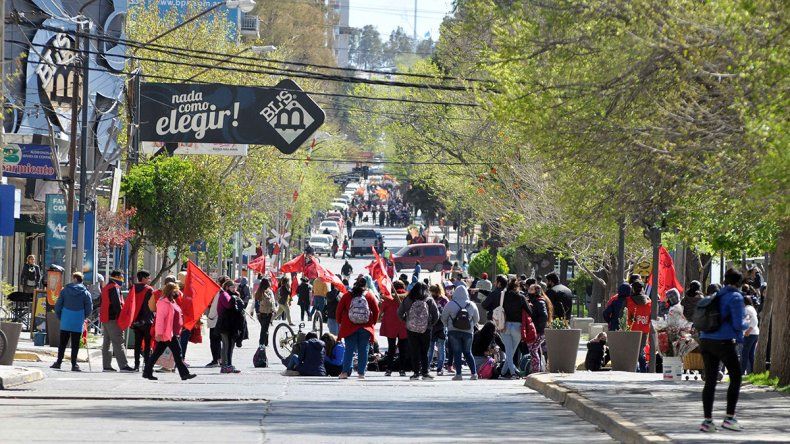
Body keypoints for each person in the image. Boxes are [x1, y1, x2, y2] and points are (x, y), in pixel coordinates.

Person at [699, 269, 748, 433]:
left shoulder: (715, 295)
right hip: (723, 342)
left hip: (706, 340)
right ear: (739, 283)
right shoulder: (735, 297)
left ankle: (707, 421)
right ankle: (729, 418)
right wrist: (747, 323)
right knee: (736, 377)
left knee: (710, 381)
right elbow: (738, 324)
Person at [142, 282, 196, 381]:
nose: (178, 292)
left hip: (172, 332)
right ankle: (184, 374)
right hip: (167, 333)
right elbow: (160, 319)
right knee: (177, 353)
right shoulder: (163, 302)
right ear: (171, 291)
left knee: (157, 353)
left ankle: (147, 372)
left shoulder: (172, 301)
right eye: (176, 290)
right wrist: (159, 333)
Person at [336, 277, 380, 379]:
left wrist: (340, 322)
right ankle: (361, 373)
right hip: (365, 327)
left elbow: (339, 310)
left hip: (349, 326)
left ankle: (345, 372)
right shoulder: (369, 295)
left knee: (349, 350)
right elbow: (376, 310)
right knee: (363, 350)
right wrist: (372, 323)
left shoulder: (347, 295)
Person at [398, 282, 439, 380]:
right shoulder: (429, 300)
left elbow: (399, 313)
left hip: (411, 329)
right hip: (426, 329)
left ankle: (416, 373)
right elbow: (436, 315)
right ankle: (425, 373)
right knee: (424, 352)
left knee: (414, 351)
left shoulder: (408, 299)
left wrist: (406, 321)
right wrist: (430, 324)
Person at [51, 272, 92, 371]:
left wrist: (60, 316)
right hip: (78, 319)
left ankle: (59, 362)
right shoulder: (86, 292)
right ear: (81, 280)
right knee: (75, 343)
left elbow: (58, 305)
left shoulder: (65, 290)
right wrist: (83, 316)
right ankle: (74, 364)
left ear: (74, 279)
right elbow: (89, 307)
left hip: (66, 318)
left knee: (63, 343)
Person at [442, 284, 480, 380]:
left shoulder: (450, 304)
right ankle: (474, 373)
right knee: (468, 352)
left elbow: (443, 317)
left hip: (453, 331)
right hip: (468, 332)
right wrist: (469, 325)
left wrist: (448, 326)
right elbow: (477, 319)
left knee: (457, 352)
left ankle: (458, 374)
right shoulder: (472, 304)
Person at [100, 270, 134, 372]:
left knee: (106, 343)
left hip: (105, 318)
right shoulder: (114, 288)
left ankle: (106, 366)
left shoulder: (106, 287)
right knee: (118, 342)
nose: (123, 278)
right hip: (113, 319)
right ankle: (123, 365)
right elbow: (116, 305)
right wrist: (121, 317)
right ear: (117, 276)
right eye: (122, 276)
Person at [499, 277, 532, 379]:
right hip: (517, 326)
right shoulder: (521, 297)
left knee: (509, 351)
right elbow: (530, 311)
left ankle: (503, 372)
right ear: (517, 287)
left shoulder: (503, 296)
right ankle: (513, 373)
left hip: (505, 325)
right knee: (511, 351)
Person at [380, 280, 409, 376]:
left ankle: (389, 369)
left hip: (391, 326)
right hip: (404, 325)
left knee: (391, 348)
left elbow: (381, 309)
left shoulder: (388, 298)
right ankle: (402, 370)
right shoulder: (408, 297)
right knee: (403, 349)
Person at [217, 280, 245, 374]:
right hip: (225, 324)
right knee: (227, 345)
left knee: (230, 346)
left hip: (232, 325)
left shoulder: (233, 295)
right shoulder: (224, 295)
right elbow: (229, 306)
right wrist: (235, 299)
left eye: (235, 287)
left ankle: (228, 364)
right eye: (232, 287)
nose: (234, 289)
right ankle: (225, 366)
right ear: (227, 287)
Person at [130, 270, 155, 372]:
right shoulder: (149, 290)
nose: (149, 280)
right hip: (147, 321)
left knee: (137, 344)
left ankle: (136, 365)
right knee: (147, 344)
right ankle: (147, 365)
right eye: (148, 278)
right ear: (144, 278)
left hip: (136, 320)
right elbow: (152, 306)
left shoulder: (133, 288)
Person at [627, 281, 651, 373]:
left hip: (633, 329)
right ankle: (643, 369)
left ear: (633, 289)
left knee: (633, 351)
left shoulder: (629, 300)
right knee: (641, 351)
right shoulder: (649, 301)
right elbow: (651, 317)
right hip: (644, 329)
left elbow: (628, 316)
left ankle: (635, 369)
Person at [526, 284, 551, 373]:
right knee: (535, 350)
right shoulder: (532, 301)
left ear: (536, 291)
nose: (529, 290)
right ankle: (538, 368)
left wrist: (538, 329)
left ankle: (536, 370)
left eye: (531, 289)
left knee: (533, 350)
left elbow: (544, 316)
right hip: (535, 330)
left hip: (539, 331)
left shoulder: (540, 302)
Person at [205, 275, 229, 368]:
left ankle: (216, 359)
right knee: (224, 341)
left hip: (216, 321)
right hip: (226, 320)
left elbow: (214, 308)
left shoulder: (219, 293)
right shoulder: (229, 293)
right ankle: (223, 360)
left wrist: (210, 318)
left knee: (214, 341)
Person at [428, 284, 449, 376]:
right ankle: (435, 368)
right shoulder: (445, 301)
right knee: (437, 348)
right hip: (439, 326)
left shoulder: (430, 300)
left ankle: (435, 367)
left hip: (436, 327)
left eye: (431, 292)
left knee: (435, 348)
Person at [740, 293, 759, 375]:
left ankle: (741, 372)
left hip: (750, 334)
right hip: (754, 333)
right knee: (750, 354)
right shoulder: (751, 308)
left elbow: (754, 320)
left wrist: (748, 330)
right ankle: (752, 372)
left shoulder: (747, 309)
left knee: (744, 353)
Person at [254, 278, 277, 346]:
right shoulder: (269, 291)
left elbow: (254, 302)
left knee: (264, 327)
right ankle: (262, 342)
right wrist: (274, 310)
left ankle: (265, 342)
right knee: (265, 328)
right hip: (268, 312)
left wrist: (252, 310)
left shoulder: (258, 291)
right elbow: (272, 301)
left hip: (259, 313)